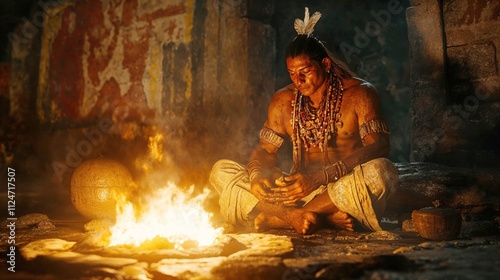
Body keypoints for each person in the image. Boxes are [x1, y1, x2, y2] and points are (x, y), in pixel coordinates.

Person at [209, 7, 398, 234]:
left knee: (381, 172)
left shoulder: (360, 93)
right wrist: (257, 176)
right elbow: (265, 151)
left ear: (325, 65)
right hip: (295, 191)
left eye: (305, 71)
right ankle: (308, 217)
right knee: (221, 171)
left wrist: (319, 178)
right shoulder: (283, 100)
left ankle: (281, 218)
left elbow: (379, 146)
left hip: (340, 190)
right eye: (292, 73)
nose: (298, 80)